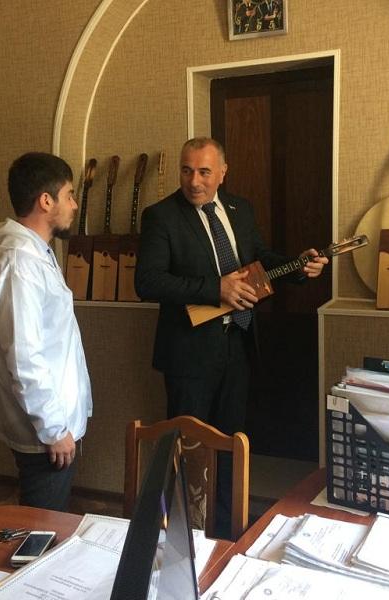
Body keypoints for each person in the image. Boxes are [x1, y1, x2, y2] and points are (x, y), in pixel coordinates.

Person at [135, 137, 327, 535]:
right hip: (189, 356)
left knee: (231, 444)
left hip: (238, 346)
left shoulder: (240, 209)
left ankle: (226, 528)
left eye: (204, 172)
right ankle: (186, 534)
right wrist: (215, 289)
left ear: (223, 172)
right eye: (187, 170)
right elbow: (148, 281)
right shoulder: (161, 216)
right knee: (190, 449)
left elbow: (260, 260)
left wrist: (297, 266)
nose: (194, 181)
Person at [0, 152, 93, 510]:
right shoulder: (19, 265)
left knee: (50, 521)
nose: (74, 204)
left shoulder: (37, 253)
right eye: (69, 195)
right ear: (46, 201)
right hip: (46, 432)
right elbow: (24, 358)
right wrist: (54, 429)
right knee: (42, 526)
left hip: (56, 423)